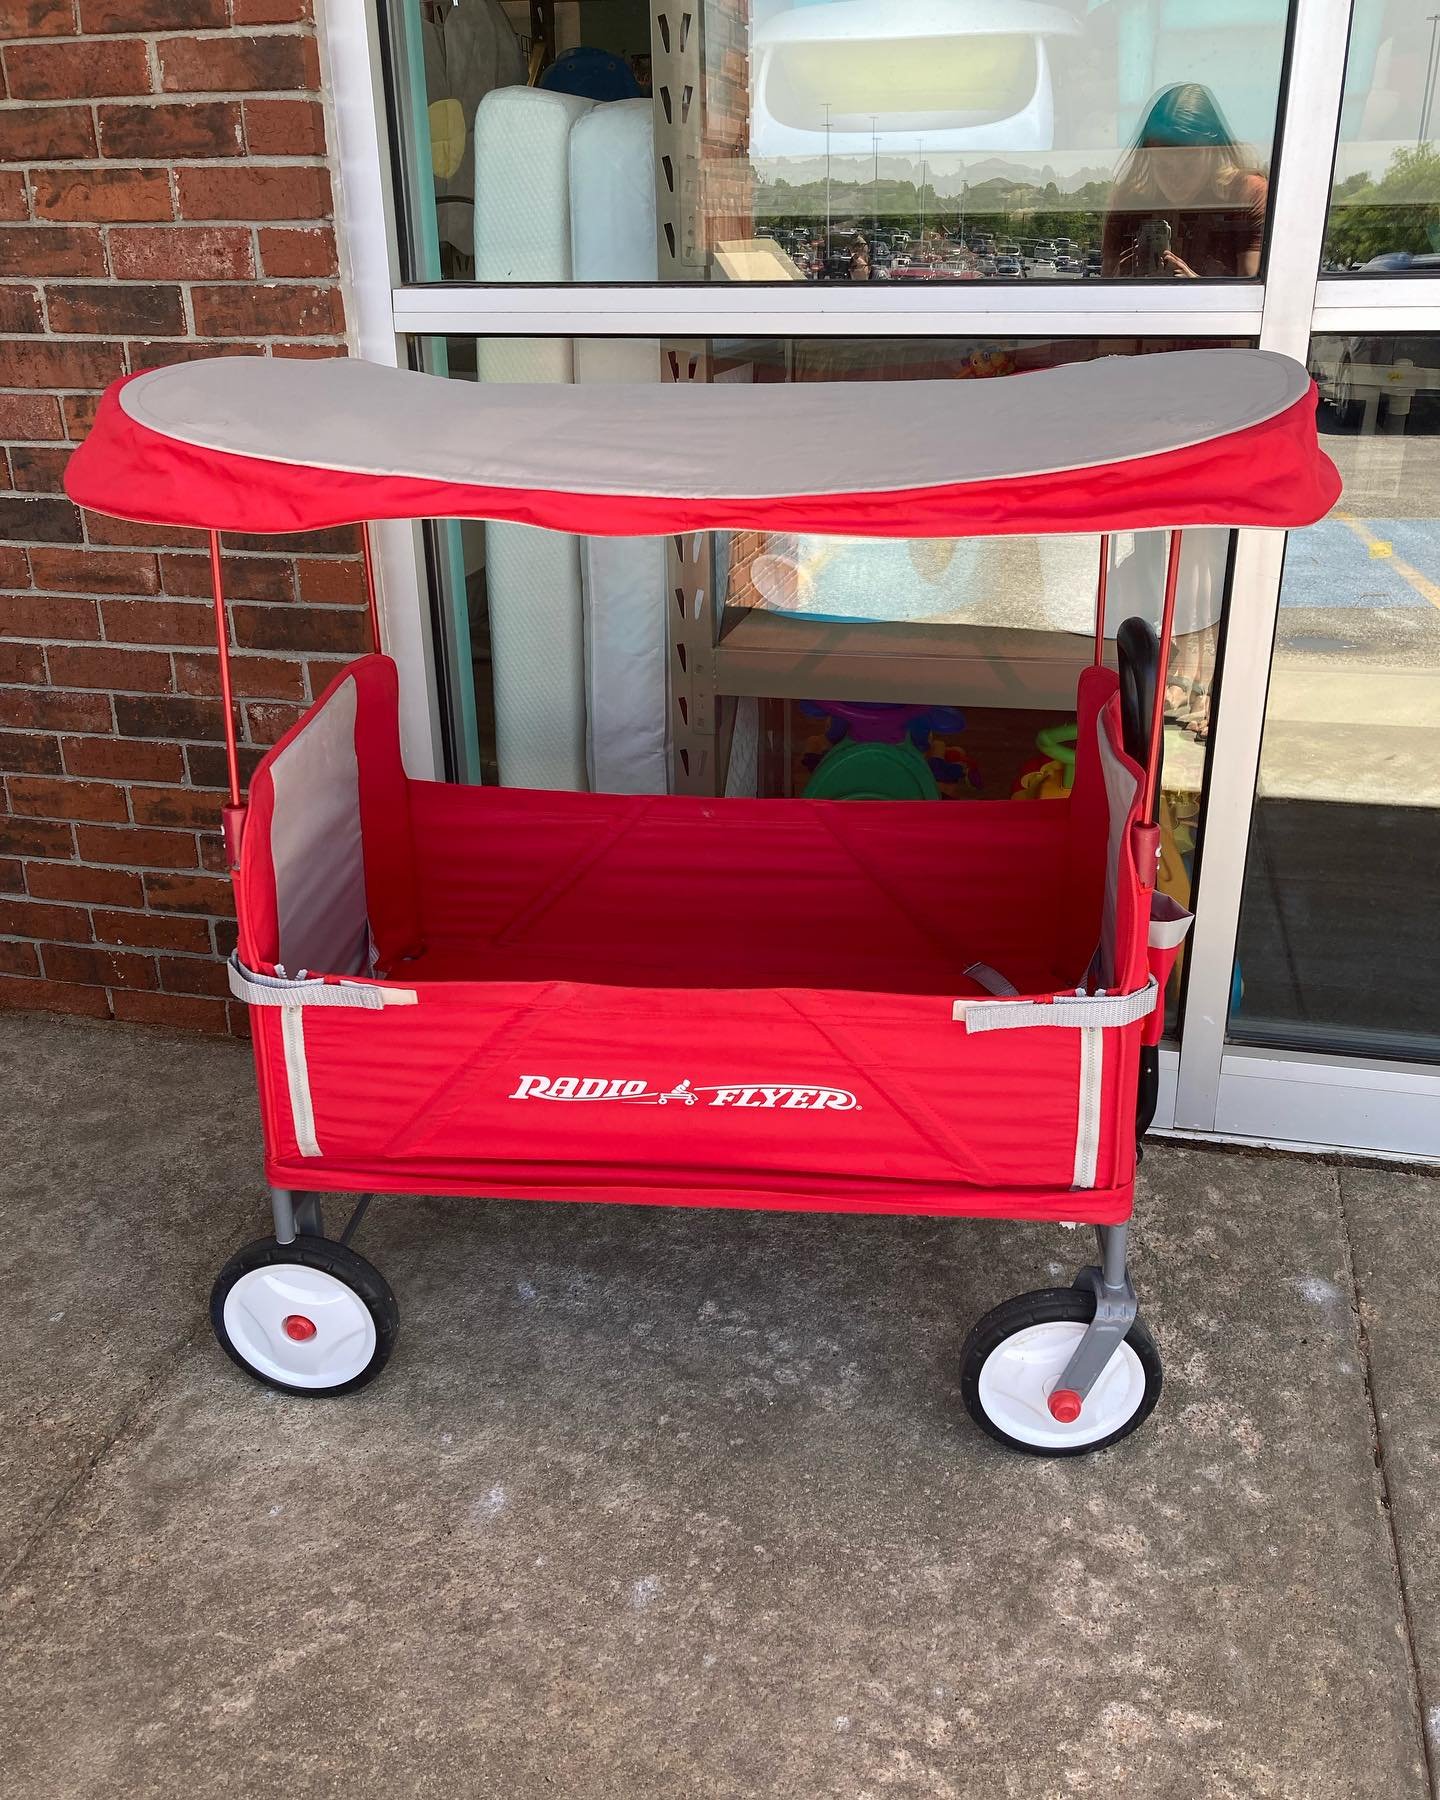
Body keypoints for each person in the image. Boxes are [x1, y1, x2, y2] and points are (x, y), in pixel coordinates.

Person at [1102, 84, 1267, 279]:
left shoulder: (1246, 196)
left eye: (1189, 165)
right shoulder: (1130, 202)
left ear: (1213, 152)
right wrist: (1123, 278)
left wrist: (1194, 285)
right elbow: (1104, 284)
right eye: (1163, 166)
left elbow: (1251, 294)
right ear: (1148, 159)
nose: (1175, 179)